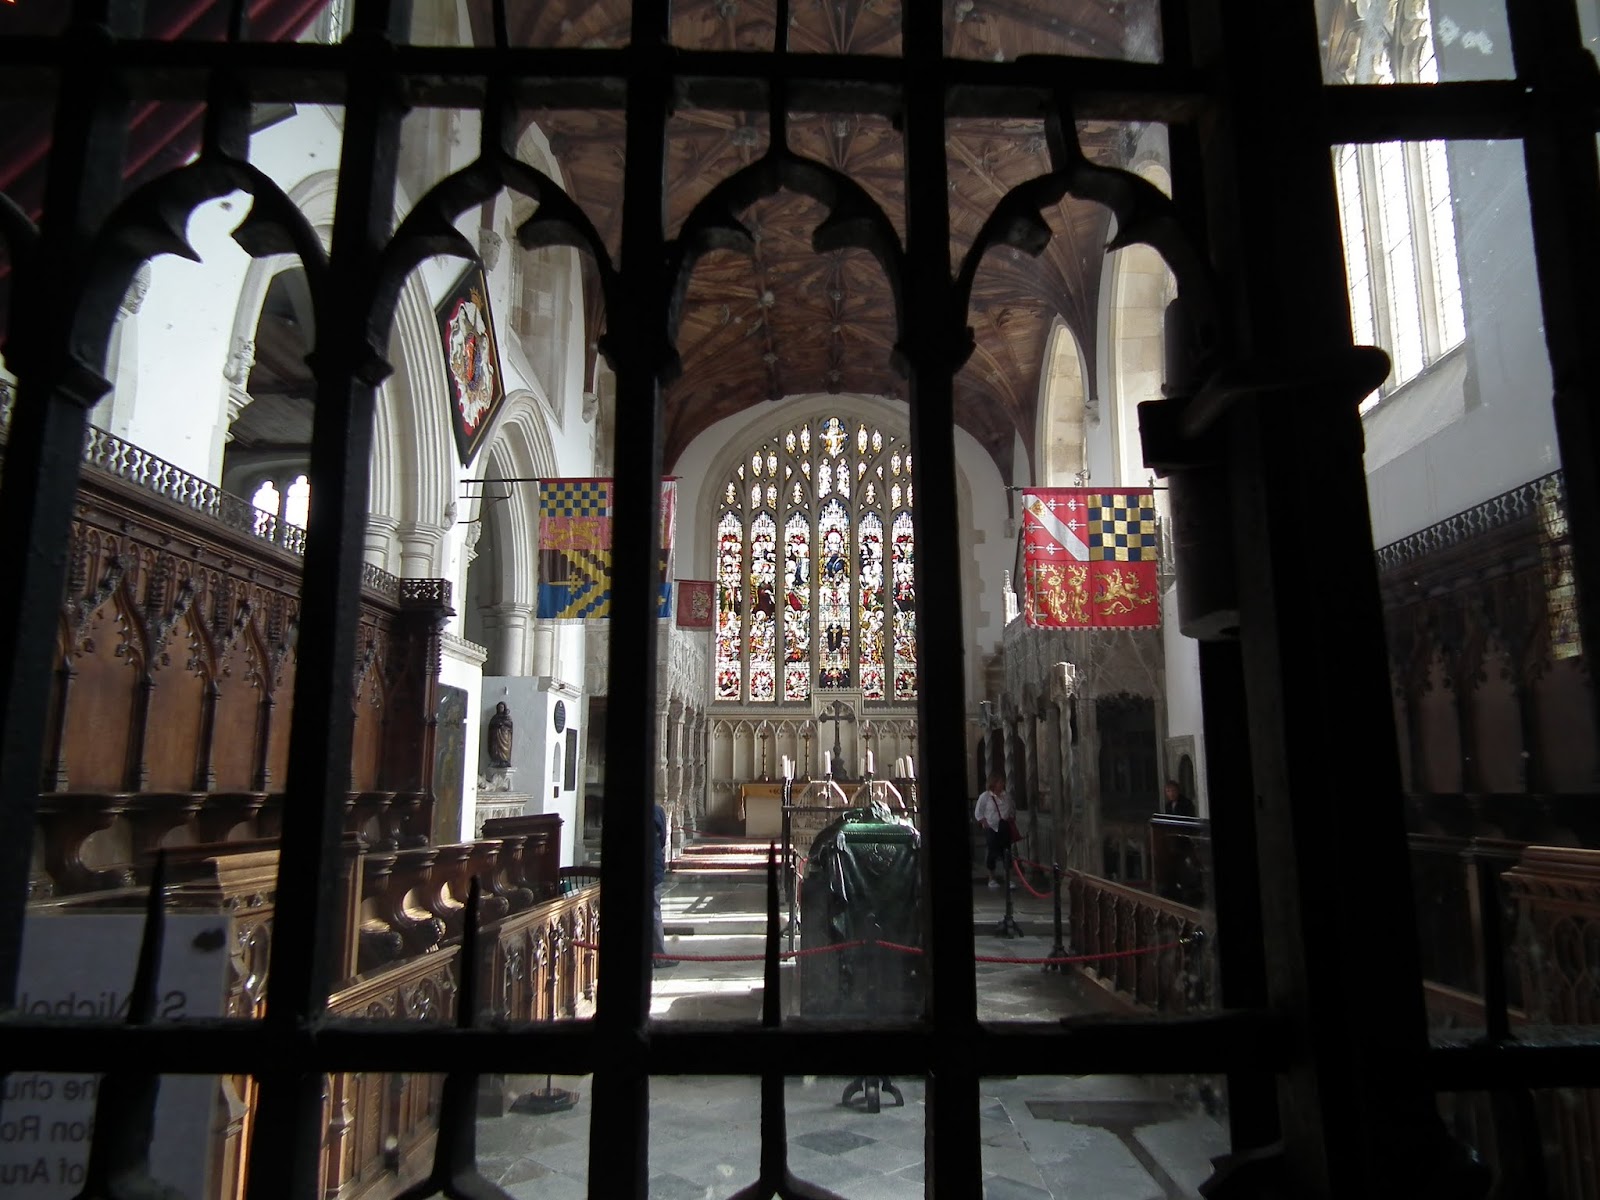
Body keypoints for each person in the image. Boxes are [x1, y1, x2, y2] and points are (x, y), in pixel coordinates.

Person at [974, 773, 1016, 889]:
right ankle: (991, 878)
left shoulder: (1006, 796)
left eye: (1002, 782)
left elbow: (1011, 808)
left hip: (1004, 826)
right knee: (992, 852)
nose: (1002, 784)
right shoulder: (985, 796)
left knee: (1006, 853)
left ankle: (1009, 879)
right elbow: (979, 812)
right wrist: (984, 822)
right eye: (999, 782)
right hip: (992, 828)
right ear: (994, 784)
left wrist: (1010, 818)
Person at [652, 804, 677, 968]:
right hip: (652, 866)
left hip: (650, 867)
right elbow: (662, 839)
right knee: (653, 912)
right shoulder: (655, 810)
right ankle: (658, 956)